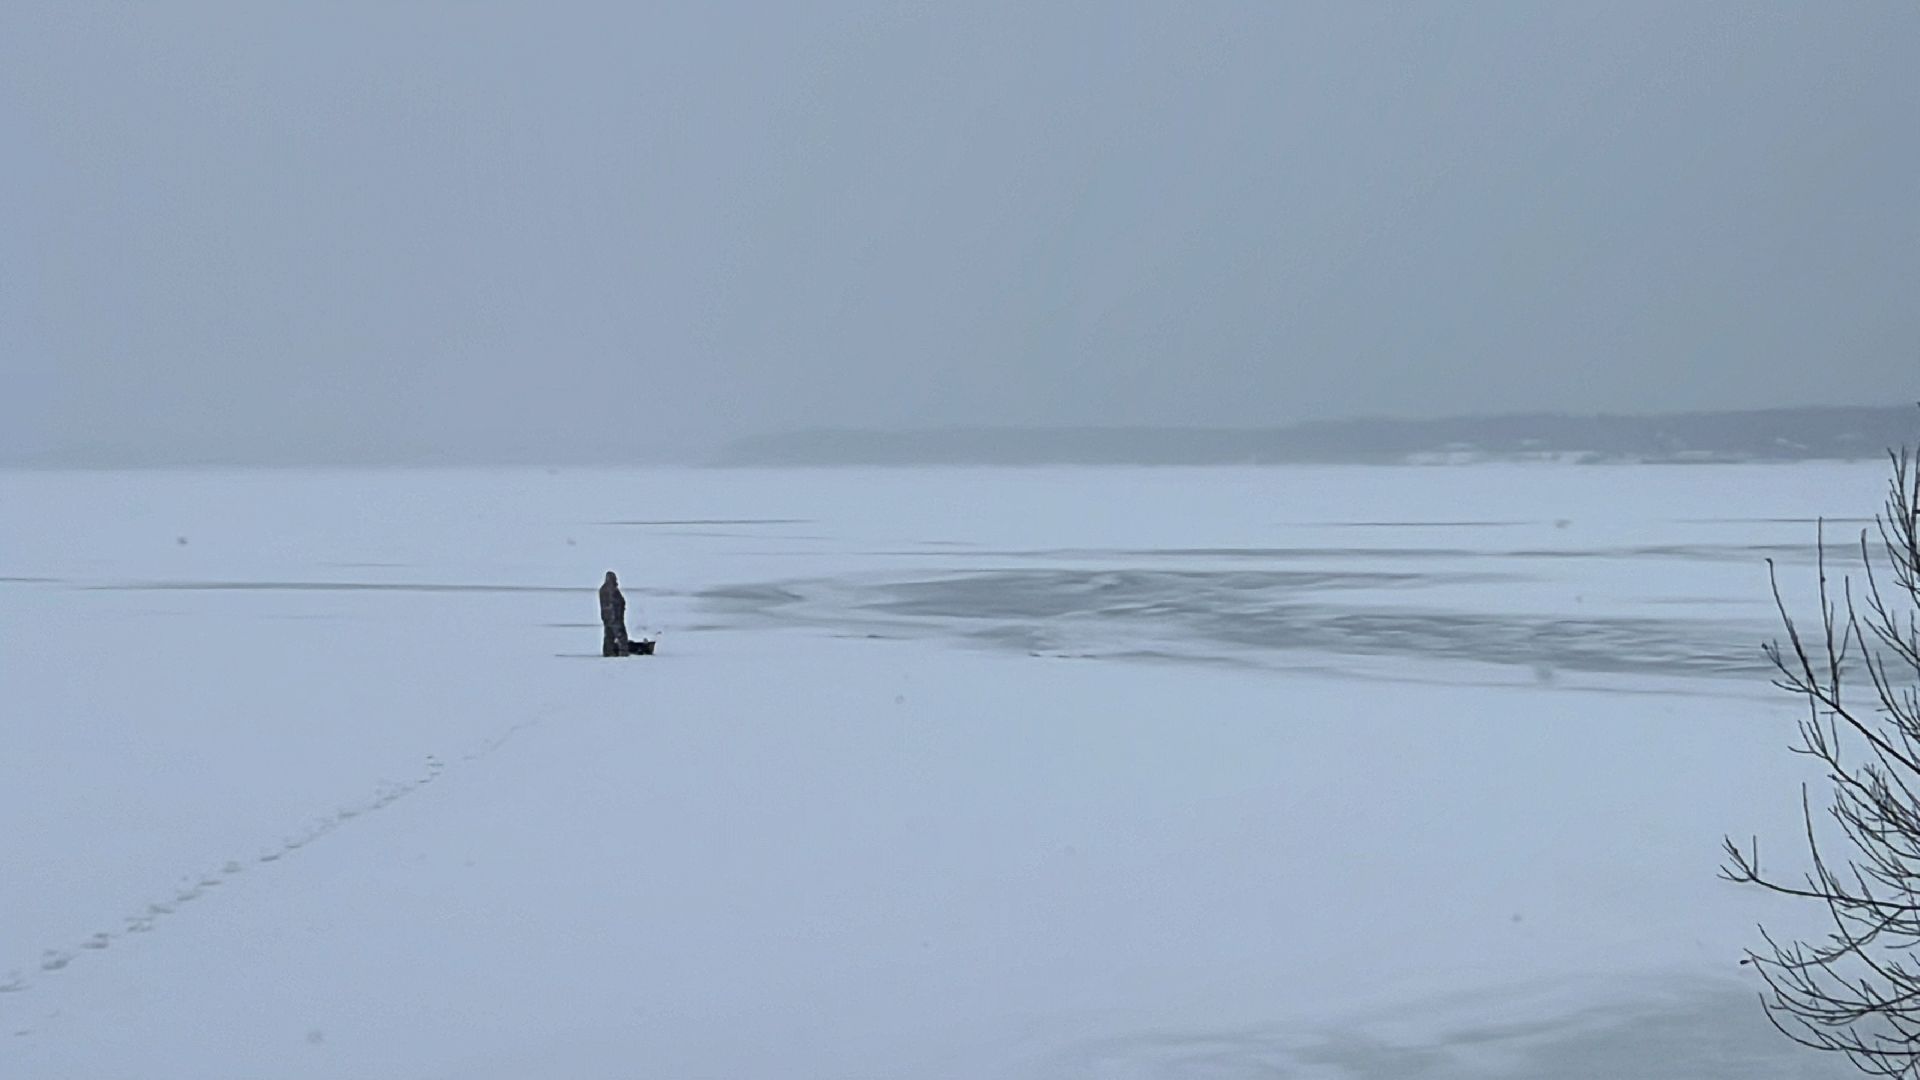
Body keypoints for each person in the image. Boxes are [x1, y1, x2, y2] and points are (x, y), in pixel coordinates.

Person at [600, 570, 632, 657]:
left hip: (607, 618)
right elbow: (612, 604)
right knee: (621, 635)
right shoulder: (611, 590)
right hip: (615, 617)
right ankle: (623, 653)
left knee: (609, 636)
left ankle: (608, 653)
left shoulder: (603, 589)